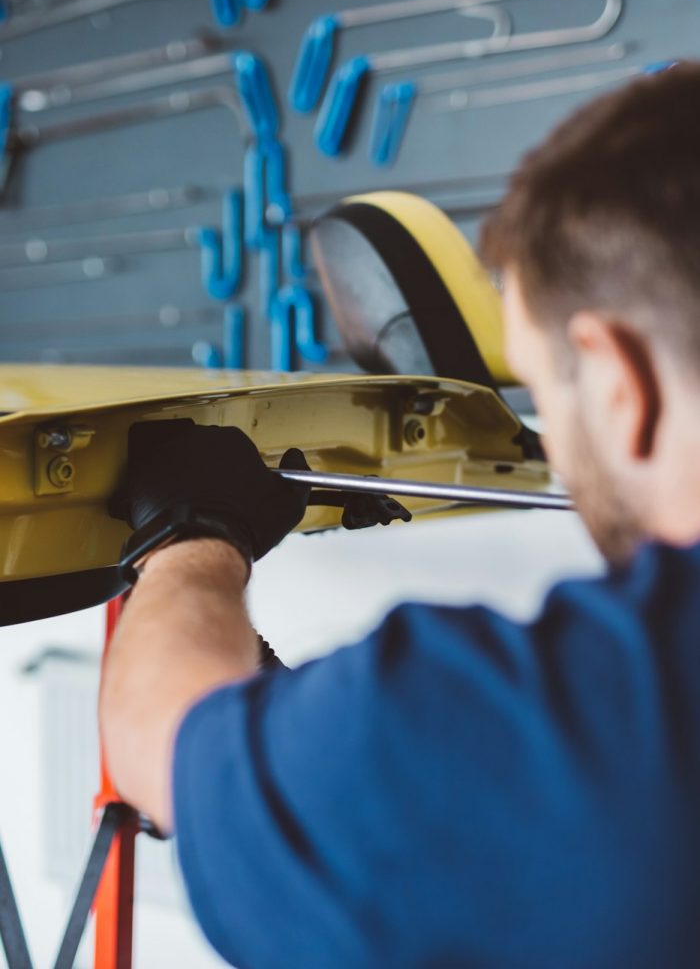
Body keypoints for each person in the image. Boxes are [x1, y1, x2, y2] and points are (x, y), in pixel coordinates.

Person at [100, 64, 700, 968]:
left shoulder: (549, 726)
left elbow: (165, 742)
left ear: (619, 382)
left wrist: (191, 533)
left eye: (544, 389)